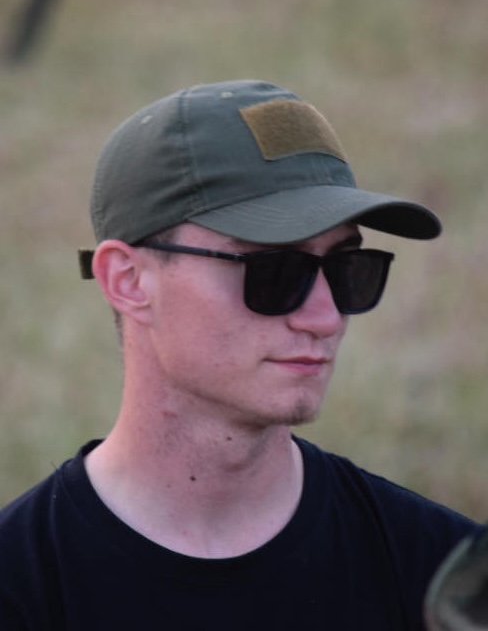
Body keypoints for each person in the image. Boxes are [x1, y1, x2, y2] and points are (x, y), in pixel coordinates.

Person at [0, 79, 482, 630]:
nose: (325, 317)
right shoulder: (21, 589)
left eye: (348, 268)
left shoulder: (445, 586)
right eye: (274, 270)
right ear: (128, 280)